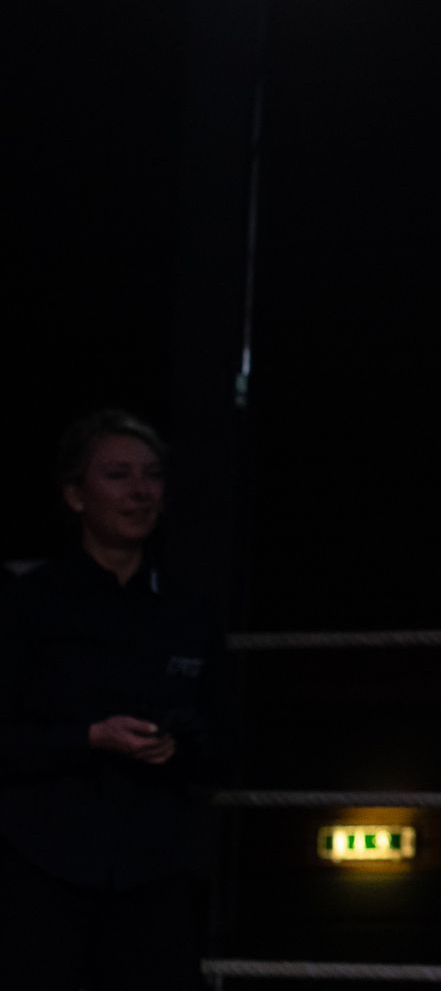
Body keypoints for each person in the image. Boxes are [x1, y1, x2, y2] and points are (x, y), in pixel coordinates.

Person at [0, 411, 223, 990]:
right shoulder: (27, 605)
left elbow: (223, 734)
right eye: (118, 475)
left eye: (152, 475)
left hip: (155, 871)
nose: (140, 491)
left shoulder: (189, 611)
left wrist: (178, 742)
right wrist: (89, 737)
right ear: (75, 495)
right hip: (44, 868)